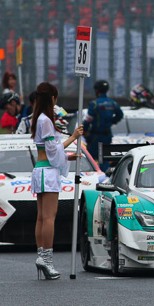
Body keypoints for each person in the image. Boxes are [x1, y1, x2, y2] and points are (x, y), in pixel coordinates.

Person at [30, 82, 83, 279]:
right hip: (47, 172)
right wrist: (74, 137)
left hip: (41, 169)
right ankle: (46, 259)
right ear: (52, 98)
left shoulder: (39, 119)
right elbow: (52, 150)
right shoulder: (46, 120)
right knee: (48, 217)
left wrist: (67, 157)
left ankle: (41, 257)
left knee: (42, 217)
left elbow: (49, 150)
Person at [83, 79, 123, 170]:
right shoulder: (113, 103)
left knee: (90, 159)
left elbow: (88, 120)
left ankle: (93, 175)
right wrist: (111, 122)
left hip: (95, 136)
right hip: (107, 135)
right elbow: (120, 115)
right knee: (105, 159)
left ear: (96, 90)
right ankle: (105, 175)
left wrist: (84, 131)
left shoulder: (94, 104)